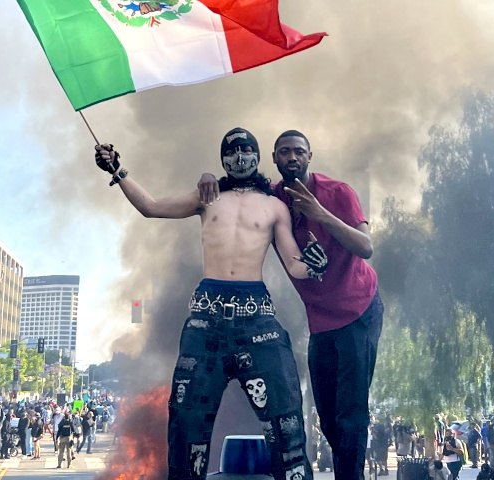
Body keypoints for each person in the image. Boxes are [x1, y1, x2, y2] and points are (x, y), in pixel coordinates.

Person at [96, 127, 328, 480]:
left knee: (285, 419)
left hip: (258, 318)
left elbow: (293, 261)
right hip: (207, 317)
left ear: (257, 155)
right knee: (187, 423)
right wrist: (118, 170)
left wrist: (314, 265)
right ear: (222, 158)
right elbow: (152, 207)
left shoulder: (274, 206)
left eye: (246, 149)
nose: (240, 156)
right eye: (232, 150)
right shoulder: (207, 196)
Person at [198, 129, 381, 480]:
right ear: (275, 159)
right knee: (327, 416)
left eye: (298, 151)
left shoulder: (337, 192)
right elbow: (237, 187)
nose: (292, 157)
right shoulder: (275, 197)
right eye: (284, 152)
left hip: (358, 311)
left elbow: (366, 247)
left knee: (351, 412)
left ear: (309, 156)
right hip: (322, 324)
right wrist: (209, 179)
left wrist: (321, 214)